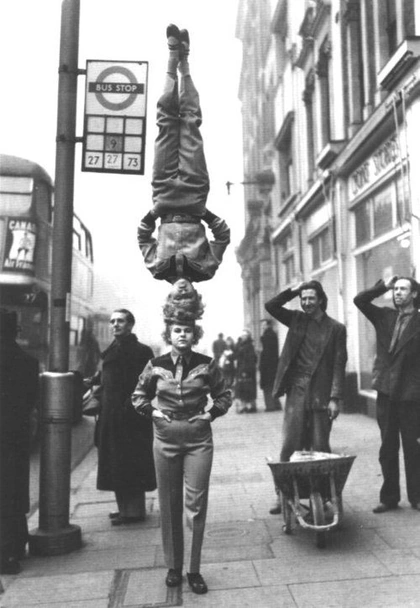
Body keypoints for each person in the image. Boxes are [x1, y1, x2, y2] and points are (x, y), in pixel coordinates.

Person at [131, 315, 231, 594]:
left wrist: (210, 415)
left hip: (198, 439)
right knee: (169, 502)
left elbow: (224, 395)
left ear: (194, 334)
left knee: (196, 504)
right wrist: (154, 413)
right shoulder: (155, 365)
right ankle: (173, 566)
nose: (182, 335)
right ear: (169, 334)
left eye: (188, 330)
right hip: (165, 438)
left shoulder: (206, 364)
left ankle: (193, 569)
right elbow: (138, 396)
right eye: (177, 330)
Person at [137, 24, 230, 284]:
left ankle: (171, 58)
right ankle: (184, 62)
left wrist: (153, 213)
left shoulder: (157, 269)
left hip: (163, 195)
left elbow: (143, 236)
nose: (181, 290)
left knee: (166, 124)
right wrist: (205, 213)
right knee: (190, 123)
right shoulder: (206, 270)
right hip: (194, 194)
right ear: (193, 294)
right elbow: (223, 236)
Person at [265, 281, 347, 513]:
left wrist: (335, 398)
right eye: (303, 299)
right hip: (297, 392)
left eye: (311, 298)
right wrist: (293, 290)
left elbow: (339, 364)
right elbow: (271, 306)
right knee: (290, 445)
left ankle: (324, 495)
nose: (306, 302)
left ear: (320, 299)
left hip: (322, 394)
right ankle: (283, 494)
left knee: (321, 447)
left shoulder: (336, 329)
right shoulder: (296, 320)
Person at [354, 276, 420, 513]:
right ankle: (389, 498)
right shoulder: (384, 316)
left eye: (403, 289)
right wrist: (382, 286)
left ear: (414, 294)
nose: (398, 293)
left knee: (413, 448)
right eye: (396, 289)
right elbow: (359, 300)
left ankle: (417, 497)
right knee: (387, 447)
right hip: (386, 391)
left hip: (411, 394)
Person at [94, 308, 156, 526]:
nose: (115, 325)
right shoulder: (112, 348)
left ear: (130, 325)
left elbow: (150, 384)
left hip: (131, 417)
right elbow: (106, 379)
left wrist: (129, 407)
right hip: (111, 416)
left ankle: (134, 512)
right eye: (112, 321)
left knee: (131, 464)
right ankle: (124, 509)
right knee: (117, 464)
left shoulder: (141, 351)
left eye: (120, 321)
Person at [0, 309, 39, 574]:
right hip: (15, 435)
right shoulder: (28, 362)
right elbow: (31, 402)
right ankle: (14, 546)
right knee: (12, 491)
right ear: (16, 331)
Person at [259, 319, 282, 412]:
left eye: (264, 325)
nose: (262, 327)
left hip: (267, 366)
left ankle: (270, 406)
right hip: (273, 365)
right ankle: (276, 404)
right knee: (272, 385)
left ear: (268, 325)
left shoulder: (267, 336)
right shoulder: (273, 334)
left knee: (267, 387)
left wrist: (262, 366)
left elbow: (266, 352)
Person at [234, 329, 258, 413]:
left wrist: (245, 370)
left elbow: (250, 359)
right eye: (242, 335)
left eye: (244, 335)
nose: (242, 337)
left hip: (246, 370)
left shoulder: (249, 346)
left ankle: (250, 406)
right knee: (244, 389)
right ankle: (247, 406)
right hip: (242, 369)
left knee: (247, 389)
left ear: (248, 336)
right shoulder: (241, 345)